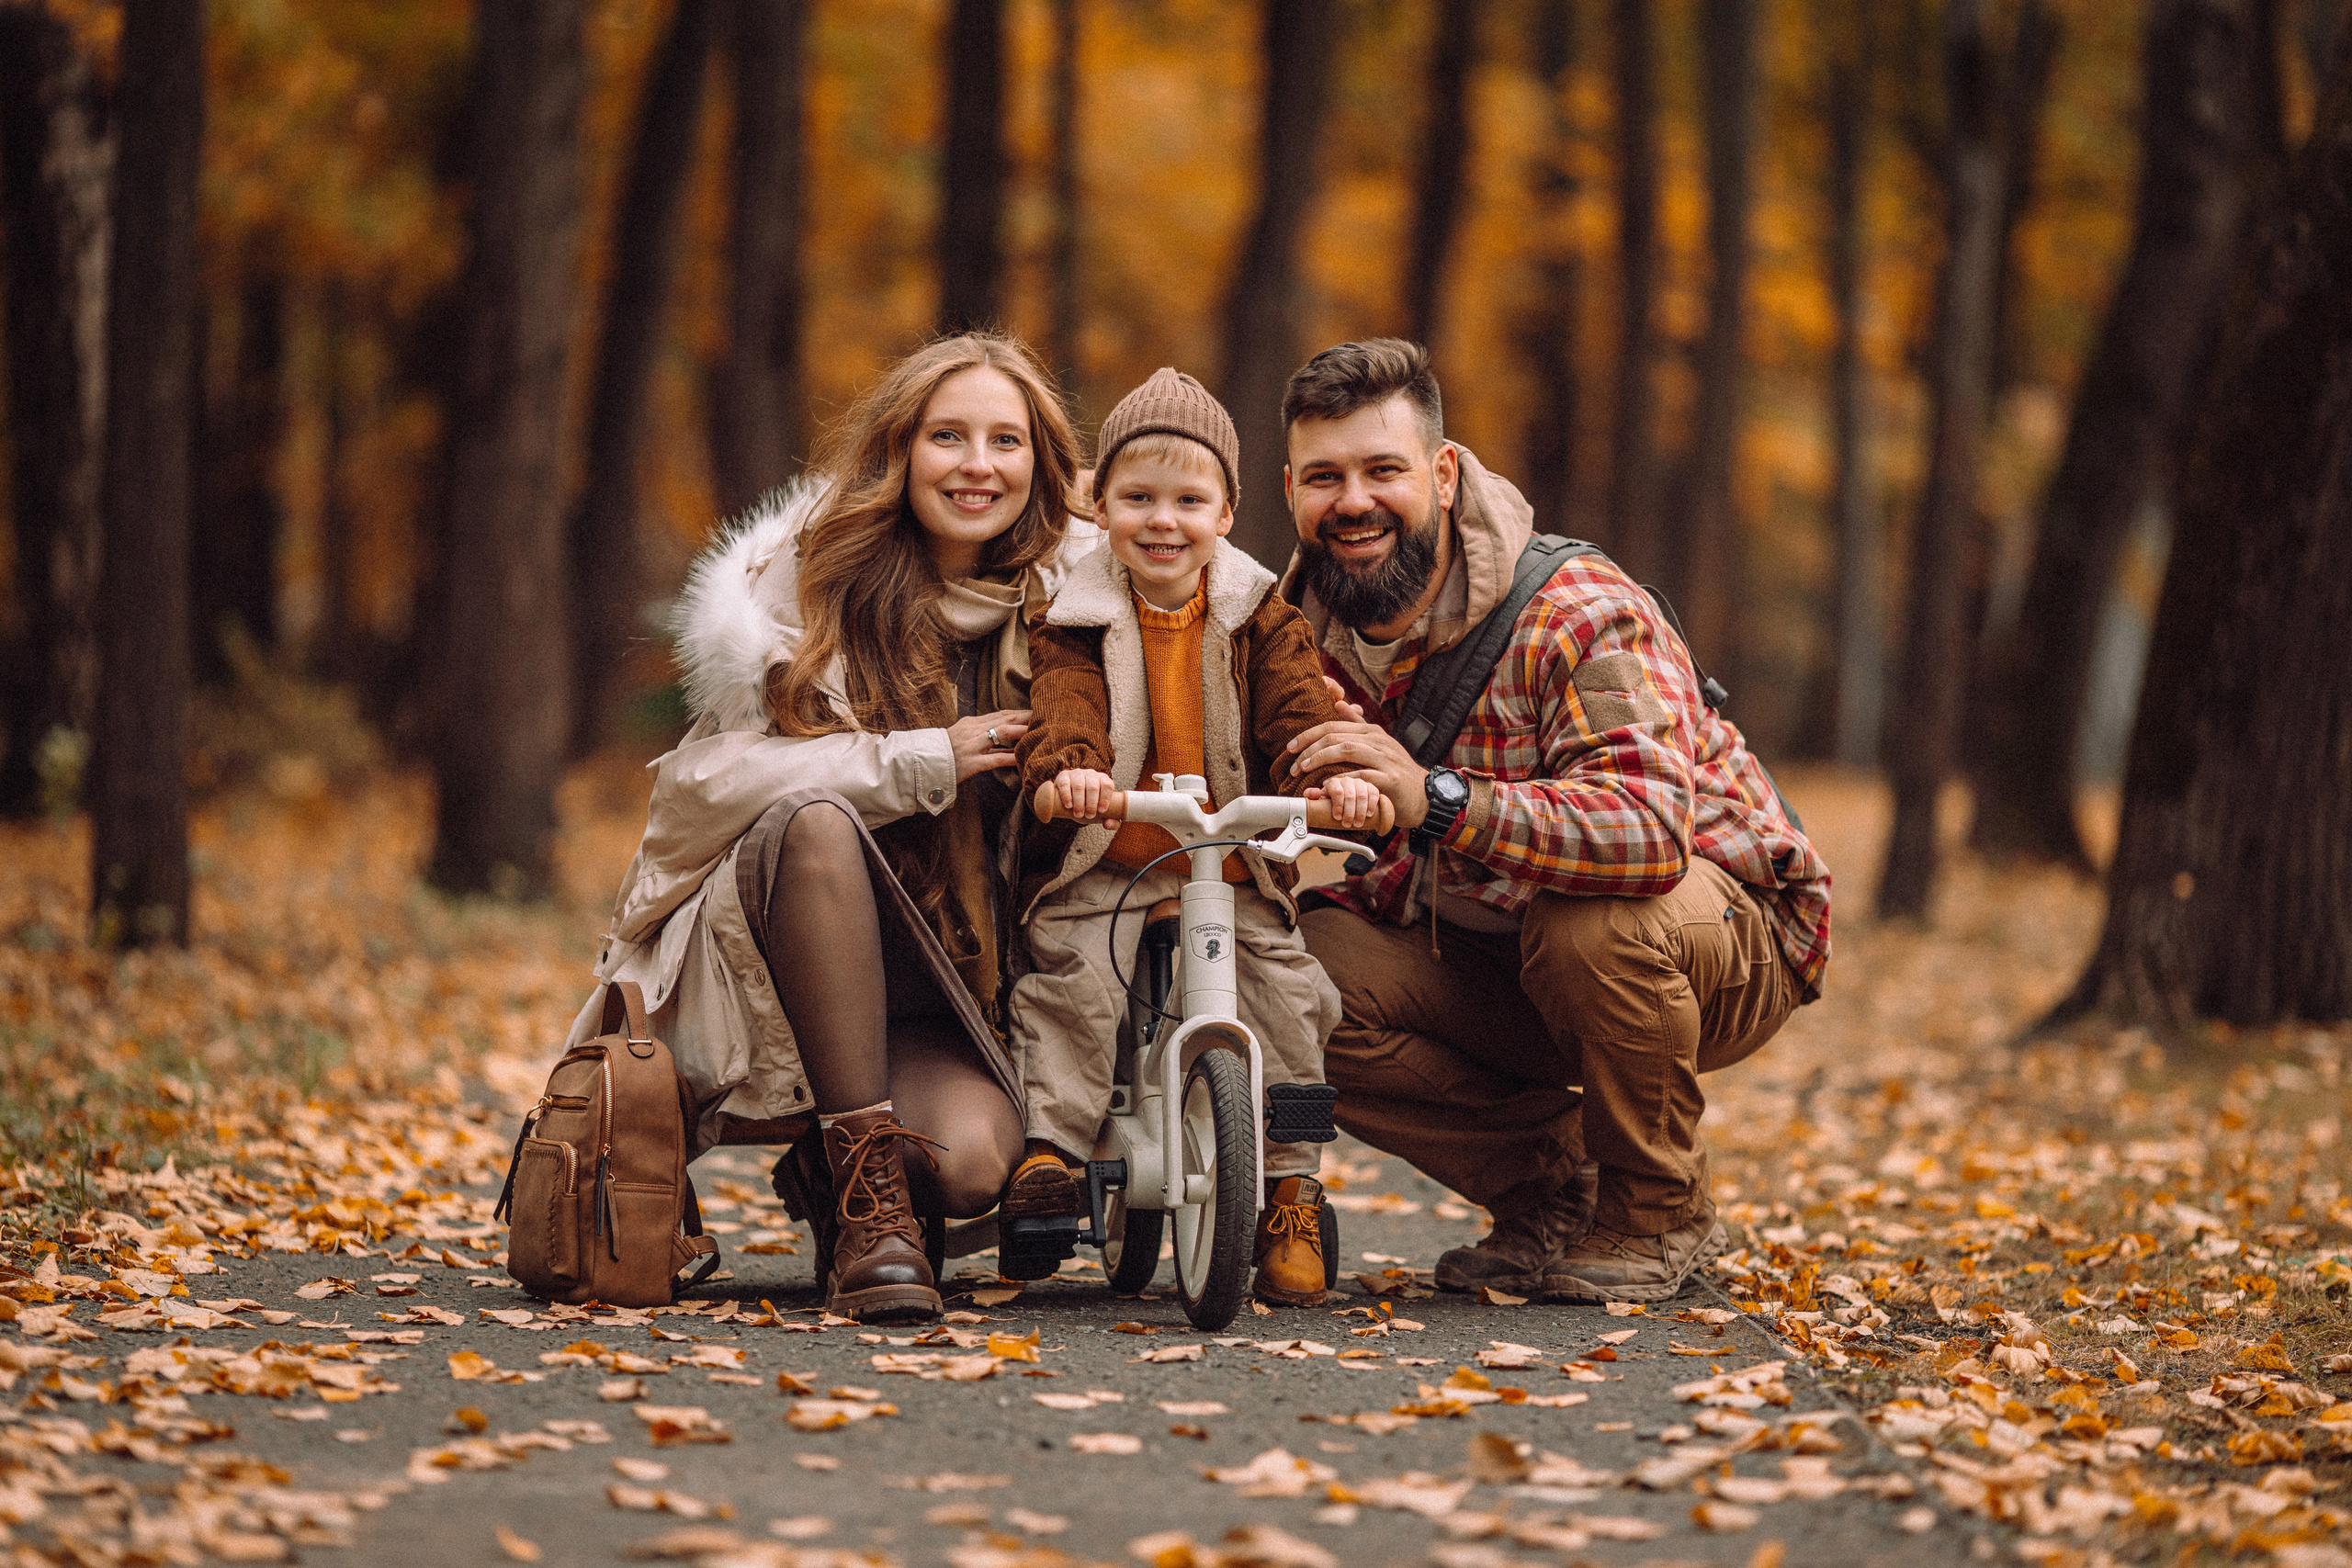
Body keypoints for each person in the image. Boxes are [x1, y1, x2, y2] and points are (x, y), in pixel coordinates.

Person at [1273, 340, 1832, 1304]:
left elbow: (1648, 834)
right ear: (1288, 491)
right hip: (1499, 951)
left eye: (1382, 470)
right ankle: (1557, 1193)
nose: (1352, 501)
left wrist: (1432, 798)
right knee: (1296, 978)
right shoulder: (1286, 637)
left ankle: (1658, 1210)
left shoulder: (1573, 611)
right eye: (1324, 477)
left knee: (1591, 918)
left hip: (1722, 935)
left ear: (1442, 476)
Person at [567, 332, 1092, 1323]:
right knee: (812, 819)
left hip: (945, 986)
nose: (978, 466)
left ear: (1042, 462)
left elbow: (1201, 544)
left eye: (1005, 441)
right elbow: (703, 790)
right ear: (900, 449)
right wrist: (924, 758)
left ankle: (836, 1165)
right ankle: (871, 1218)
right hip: (784, 943)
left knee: (978, 1169)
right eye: (949, 436)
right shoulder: (808, 583)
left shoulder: (1072, 599)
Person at [1002, 369, 1382, 1307]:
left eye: (1187, 500)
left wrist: (1327, 779)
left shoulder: (1261, 615)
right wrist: (1071, 773)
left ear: (1226, 512)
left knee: (1292, 993)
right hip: (1114, 856)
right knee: (1072, 978)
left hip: (1227, 858)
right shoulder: (1073, 615)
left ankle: (1290, 1180)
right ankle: (1049, 1152)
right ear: (1099, 504)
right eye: (1137, 498)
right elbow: (1065, 707)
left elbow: (1294, 716)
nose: (1161, 521)